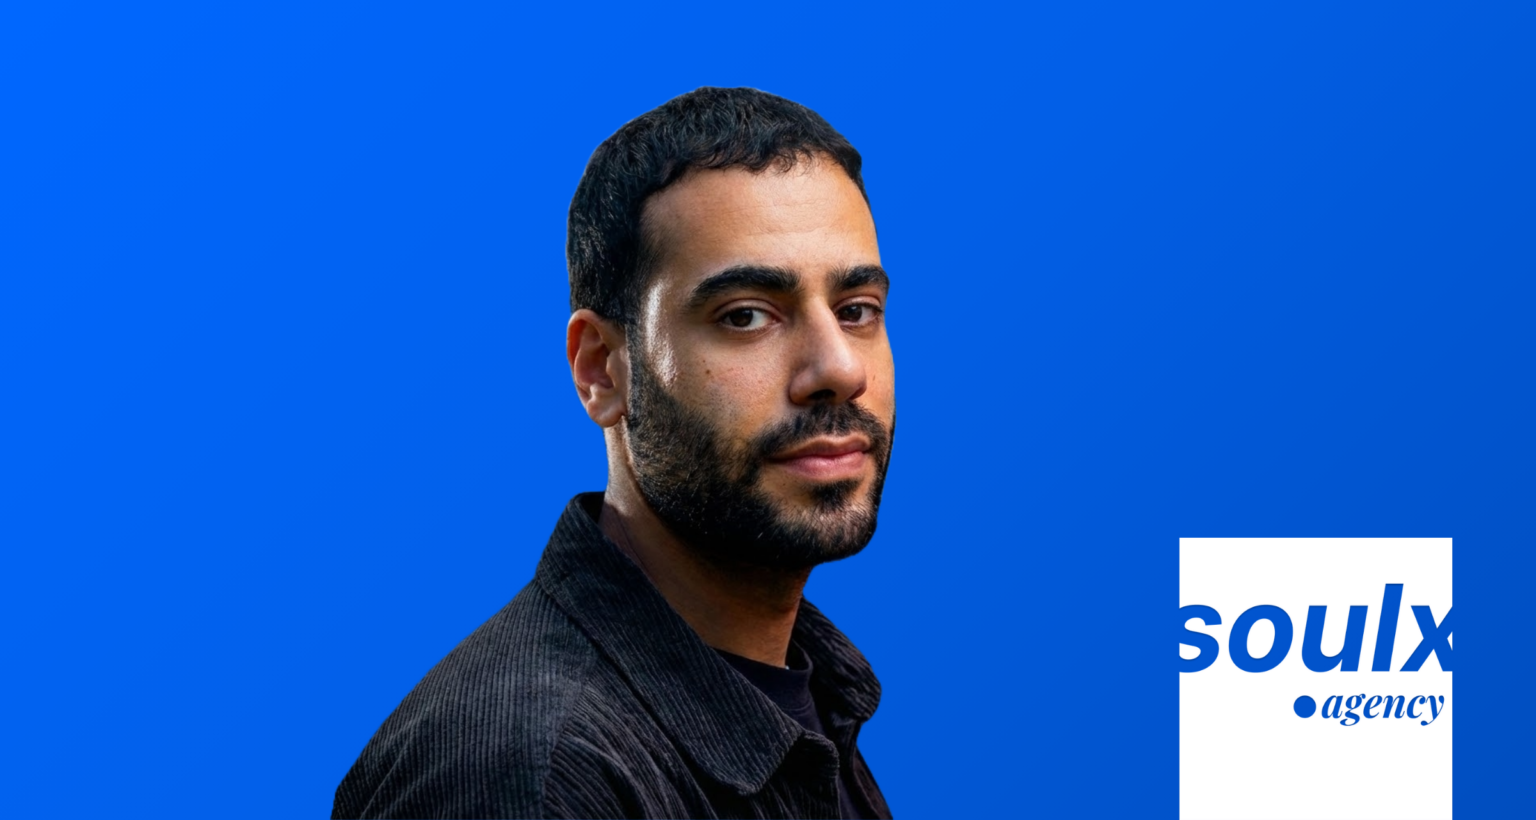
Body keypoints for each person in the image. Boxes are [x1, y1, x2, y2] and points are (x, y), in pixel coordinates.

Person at [333, 86, 897, 819]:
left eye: (857, 311)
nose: (839, 369)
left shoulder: (806, 690)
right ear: (601, 369)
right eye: (745, 316)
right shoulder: (534, 774)